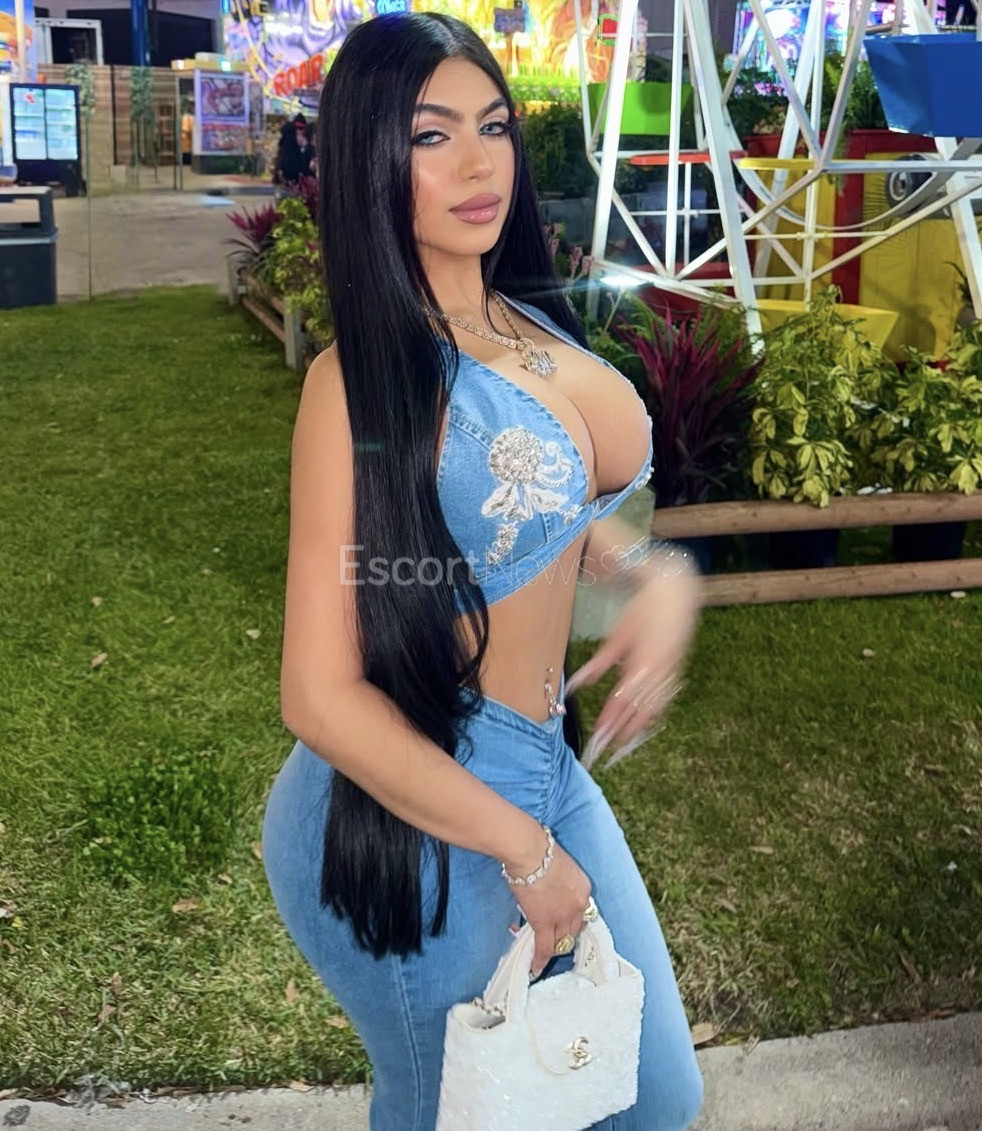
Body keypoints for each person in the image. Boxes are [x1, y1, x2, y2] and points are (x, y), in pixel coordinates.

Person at [262, 12, 704, 1130]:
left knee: (655, 1096)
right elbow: (316, 695)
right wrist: (521, 851)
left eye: (494, 126)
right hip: (409, 799)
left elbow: (553, 522)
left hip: (542, 768)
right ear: (371, 158)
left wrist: (655, 575)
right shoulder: (357, 381)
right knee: (456, 1110)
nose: (478, 162)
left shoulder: (523, 324)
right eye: (431, 135)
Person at [273, 112, 316, 187]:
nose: (300, 131)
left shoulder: (286, 138)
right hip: (295, 173)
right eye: (299, 129)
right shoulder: (298, 142)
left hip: (287, 171)